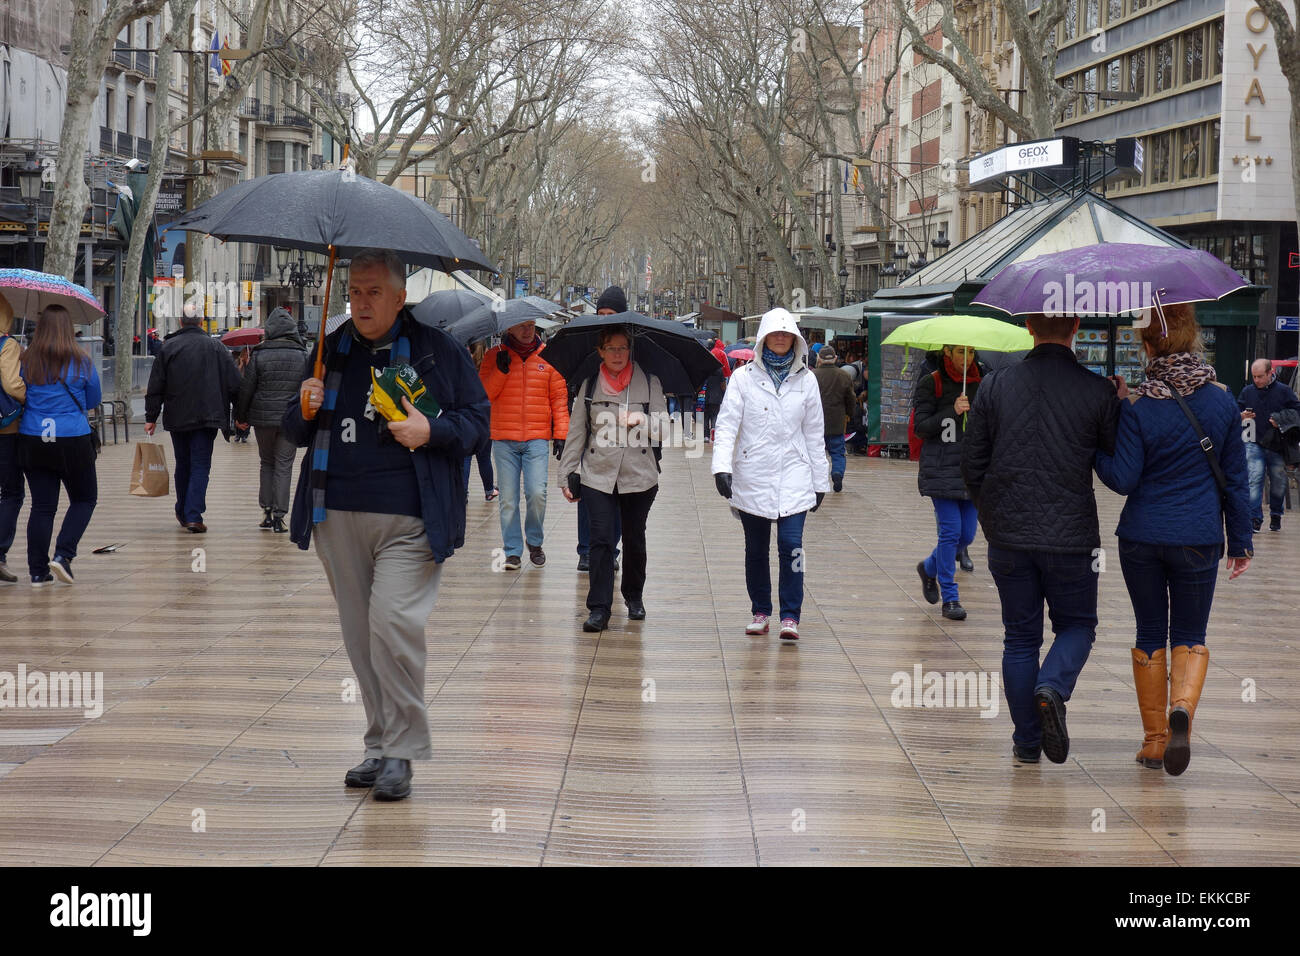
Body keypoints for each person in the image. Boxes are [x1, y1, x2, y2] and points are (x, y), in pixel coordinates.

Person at [285, 249, 489, 801]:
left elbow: (477, 423)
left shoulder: (435, 352)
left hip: (410, 516)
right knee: (359, 636)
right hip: (337, 513)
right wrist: (302, 408)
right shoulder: (331, 351)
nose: (361, 301)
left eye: (374, 292)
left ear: (401, 298)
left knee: (393, 625)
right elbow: (295, 432)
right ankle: (378, 743)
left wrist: (433, 430)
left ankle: (402, 751)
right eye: (354, 291)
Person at [1095, 304, 1252, 776]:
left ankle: (1155, 741)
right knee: (1190, 634)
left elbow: (1122, 478)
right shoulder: (1223, 401)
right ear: (1191, 339)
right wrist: (1240, 542)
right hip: (1199, 538)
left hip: (1141, 537)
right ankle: (1182, 707)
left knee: (1149, 632)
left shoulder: (1140, 406)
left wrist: (1097, 449)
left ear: (1148, 346)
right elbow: (1236, 481)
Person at [962, 312, 1120, 765]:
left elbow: (973, 464)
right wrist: (1117, 403)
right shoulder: (1097, 390)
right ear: (1075, 330)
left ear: (1029, 327)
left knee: (1019, 638)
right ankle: (1052, 685)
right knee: (1078, 626)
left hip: (1009, 538)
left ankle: (1027, 743)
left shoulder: (994, 386)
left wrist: (992, 519)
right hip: (1073, 539)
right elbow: (1111, 461)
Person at [712, 307, 828, 641]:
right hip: (753, 474)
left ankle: (791, 615)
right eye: (774, 333)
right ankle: (760, 610)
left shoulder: (806, 382)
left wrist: (820, 480)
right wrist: (722, 466)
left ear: (795, 339)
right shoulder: (742, 379)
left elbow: (814, 433)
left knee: (792, 545)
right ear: (764, 338)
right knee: (756, 548)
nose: (780, 338)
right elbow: (728, 423)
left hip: (794, 473)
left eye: (786, 333)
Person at [558, 324, 665, 632]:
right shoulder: (589, 385)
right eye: (611, 348)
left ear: (630, 350)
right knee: (601, 540)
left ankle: (633, 596)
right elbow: (577, 432)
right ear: (600, 352)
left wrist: (640, 419)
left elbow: (664, 429)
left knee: (634, 539)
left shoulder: (649, 382)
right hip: (598, 475)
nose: (618, 354)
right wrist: (566, 473)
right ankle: (599, 608)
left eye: (623, 348)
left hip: (639, 476)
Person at [15, 305, 100, 586]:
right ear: (68, 328)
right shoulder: (83, 361)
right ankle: (64, 554)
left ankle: (38, 572)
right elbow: (92, 401)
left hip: (33, 437)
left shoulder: (27, 360)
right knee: (85, 498)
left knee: (42, 506)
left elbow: (19, 392)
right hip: (72, 439)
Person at [478, 317, 569, 570]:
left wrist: (561, 433)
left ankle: (536, 542)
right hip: (504, 439)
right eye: (521, 325)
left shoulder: (550, 357)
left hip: (537, 438)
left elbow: (559, 399)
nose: (528, 330)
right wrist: (500, 371)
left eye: (531, 325)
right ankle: (512, 551)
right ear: (509, 328)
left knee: (537, 493)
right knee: (507, 499)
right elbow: (484, 394)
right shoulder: (493, 356)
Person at [145, 310, 241, 532]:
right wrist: (241, 416)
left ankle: (182, 510)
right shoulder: (216, 347)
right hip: (208, 417)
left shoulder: (168, 347)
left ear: (180, 322)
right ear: (200, 322)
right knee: (200, 465)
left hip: (177, 416)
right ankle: (193, 515)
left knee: (183, 463)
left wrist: (151, 417)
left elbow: (156, 385)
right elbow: (235, 384)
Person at [914, 344, 985, 621]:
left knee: (967, 535)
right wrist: (952, 411)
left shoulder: (983, 382)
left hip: (972, 469)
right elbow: (921, 427)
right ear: (947, 353)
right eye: (959, 352)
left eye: (970, 352)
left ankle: (929, 567)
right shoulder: (931, 383)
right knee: (951, 532)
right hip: (941, 469)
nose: (966, 358)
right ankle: (950, 597)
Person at [234, 307, 306, 533]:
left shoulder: (259, 354)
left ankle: (266, 510)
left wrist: (241, 417)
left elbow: (247, 389)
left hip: (263, 420)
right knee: (284, 466)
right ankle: (279, 516)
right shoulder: (303, 355)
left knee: (267, 463)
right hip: (290, 419)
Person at [574, 286, 625, 571]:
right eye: (601, 313)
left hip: (621, 433)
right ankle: (586, 549)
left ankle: (610, 550)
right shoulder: (586, 343)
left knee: (617, 494)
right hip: (590, 428)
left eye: (611, 314)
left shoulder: (629, 349)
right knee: (588, 491)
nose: (604, 319)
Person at [1236, 358, 1300, 532]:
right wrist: (1242, 416)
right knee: (1254, 479)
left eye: (1260, 376)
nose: (1256, 380)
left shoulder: (1284, 391)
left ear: (1270, 373)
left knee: (1278, 482)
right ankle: (1254, 518)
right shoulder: (1247, 391)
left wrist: (1281, 420)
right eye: (1254, 377)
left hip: (1277, 444)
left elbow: (1297, 412)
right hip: (1254, 441)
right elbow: (1236, 410)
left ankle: (1276, 514)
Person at [0, 293, 27, 583]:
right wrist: (27, 393)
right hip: (5, 430)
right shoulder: (6, 344)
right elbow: (11, 383)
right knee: (11, 492)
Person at [812, 345, 854, 493]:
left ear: (819, 358)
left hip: (815, 423)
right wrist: (849, 414)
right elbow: (850, 399)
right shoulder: (844, 375)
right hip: (836, 421)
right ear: (835, 358)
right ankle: (837, 473)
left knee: (815, 453)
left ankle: (816, 481)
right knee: (837, 452)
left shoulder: (811, 376)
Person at [462, 341, 497, 502]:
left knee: (466, 457)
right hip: (486, 418)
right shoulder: (490, 365)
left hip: (467, 417)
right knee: (484, 458)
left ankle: (463, 493)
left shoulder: (463, 363)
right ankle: (489, 490)